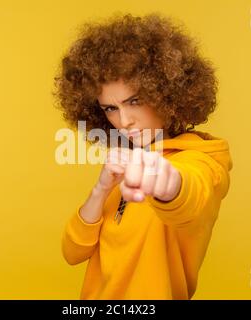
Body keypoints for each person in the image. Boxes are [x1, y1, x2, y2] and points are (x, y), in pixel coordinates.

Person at [53, 12, 233, 299]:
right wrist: (100, 190)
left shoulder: (202, 161)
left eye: (134, 101)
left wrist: (166, 186)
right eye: (110, 108)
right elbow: (73, 253)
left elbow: (191, 192)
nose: (124, 120)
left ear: (167, 92)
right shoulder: (127, 161)